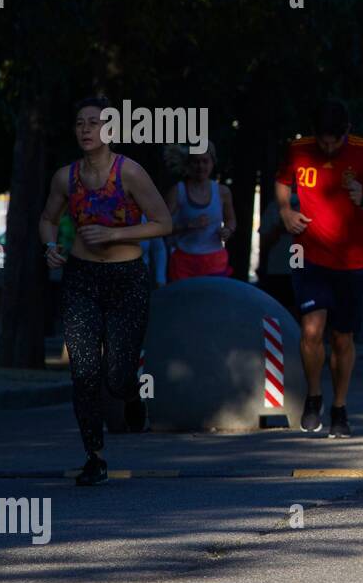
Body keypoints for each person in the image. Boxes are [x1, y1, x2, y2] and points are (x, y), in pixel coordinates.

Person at [39, 96, 172, 485]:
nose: (85, 130)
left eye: (93, 123)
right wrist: (50, 246)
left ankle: (132, 395)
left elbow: (163, 223)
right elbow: (47, 219)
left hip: (127, 276)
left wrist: (115, 233)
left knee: (117, 375)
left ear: (110, 130)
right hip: (81, 278)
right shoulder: (66, 177)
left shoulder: (129, 173)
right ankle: (94, 456)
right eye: (80, 123)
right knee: (83, 371)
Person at [275, 99, 363, 437]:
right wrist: (285, 212)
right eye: (322, 140)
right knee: (311, 331)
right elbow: (282, 182)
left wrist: (362, 200)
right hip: (309, 255)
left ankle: (340, 407)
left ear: (346, 132)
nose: (327, 147)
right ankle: (313, 396)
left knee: (342, 338)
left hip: (352, 260)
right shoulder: (297, 149)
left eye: (334, 141)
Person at [165, 140, 235, 281]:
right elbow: (161, 226)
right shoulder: (178, 191)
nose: (200, 166)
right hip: (184, 261)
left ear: (212, 163)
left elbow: (231, 220)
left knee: (212, 302)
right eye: (196, 161)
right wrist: (188, 225)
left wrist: (228, 230)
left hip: (214, 260)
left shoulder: (222, 192)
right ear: (188, 164)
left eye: (205, 161)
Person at [256, 192, 300, 315]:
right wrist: (280, 227)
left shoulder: (311, 207)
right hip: (277, 269)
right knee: (275, 311)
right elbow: (264, 243)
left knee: (298, 312)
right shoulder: (274, 207)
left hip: (300, 267)